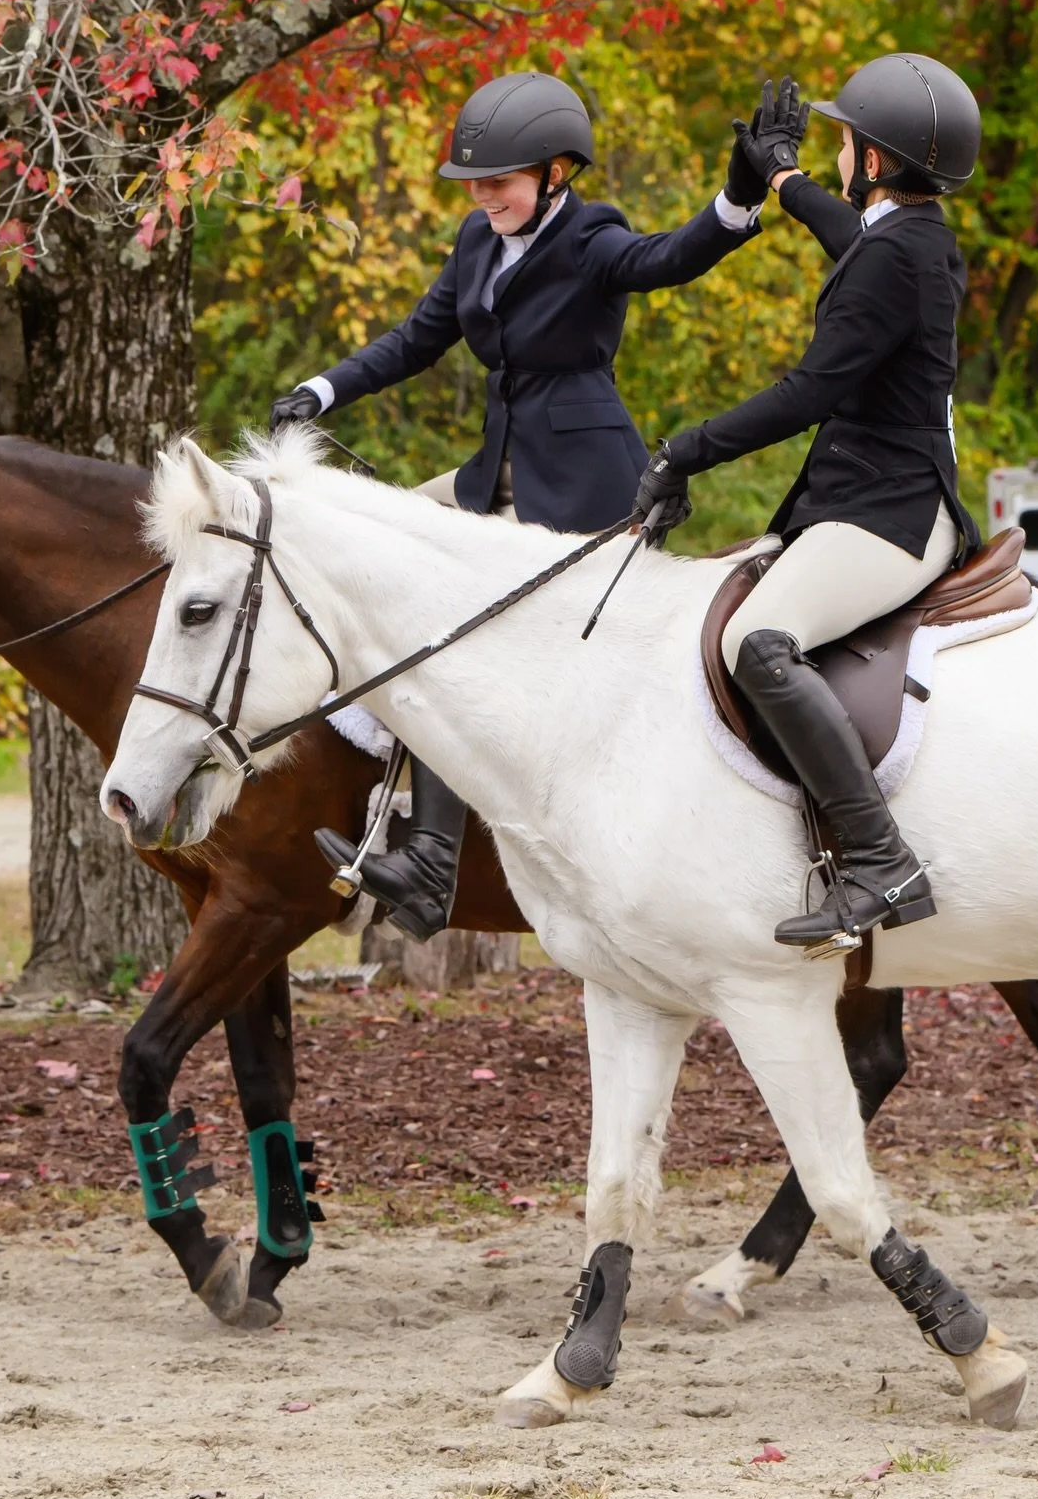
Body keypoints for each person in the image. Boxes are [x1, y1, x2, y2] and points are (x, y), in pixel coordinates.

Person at [270, 69, 768, 938]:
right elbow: (418, 338)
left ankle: (430, 859)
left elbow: (669, 259)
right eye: (476, 183)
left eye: (498, 181)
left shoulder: (591, 238)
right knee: (357, 542)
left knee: (439, 614)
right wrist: (322, 391)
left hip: (577, 481)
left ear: (556, 173)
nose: (484, 196)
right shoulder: (475, 241)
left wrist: (735, 198)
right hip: (493, 476)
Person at [633, 54, 984, 950]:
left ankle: (879, 858)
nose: (836, 154)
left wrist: (688, 449)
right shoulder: (915, 238)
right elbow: (849, 235)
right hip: (875, 496)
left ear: (872, 162)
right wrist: (781, 176)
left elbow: (806, 393)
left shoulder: (891, 260)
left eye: (842, 143)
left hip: (890, 514)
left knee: (759, 641)